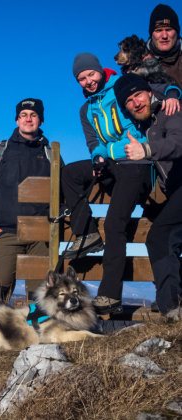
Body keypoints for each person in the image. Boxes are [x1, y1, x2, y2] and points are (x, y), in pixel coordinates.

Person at [60, 53, 180, 315]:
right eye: (82, 78)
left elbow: (158, 88)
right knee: (69, 173)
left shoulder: (123, 86)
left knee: (115, 223)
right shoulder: (86, 110)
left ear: (100, 71)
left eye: (91, 74)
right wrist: (98, 156)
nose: (88, 81)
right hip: (114, 162)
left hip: (137, 163)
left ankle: (110, 295)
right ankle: (87, 233)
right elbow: (94, 142)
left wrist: (173, 94)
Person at [0, 99, 55, 311]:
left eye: (33, 115)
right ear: (17, 120)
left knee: (40, 295)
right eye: (24, 115)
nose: (29, 119)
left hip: (40, 235)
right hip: (6, 233)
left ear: (41, 120)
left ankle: (38, 338)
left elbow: (62, 192)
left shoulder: (51, 153)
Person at [114, 73, 182, 314]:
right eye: (129, 101)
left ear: (149, 92)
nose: (136, 102)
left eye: (138, 95)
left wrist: (147, 149)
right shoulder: (149, 122)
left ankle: (171, 309)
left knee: (160, 238)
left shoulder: (169, 111)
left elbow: (179, 142)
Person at [147, 4, 182, 89]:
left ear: (177, 32)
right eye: (158, 30)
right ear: (152, 34)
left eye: (168, 30)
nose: (164, 36)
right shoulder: (138, 61)